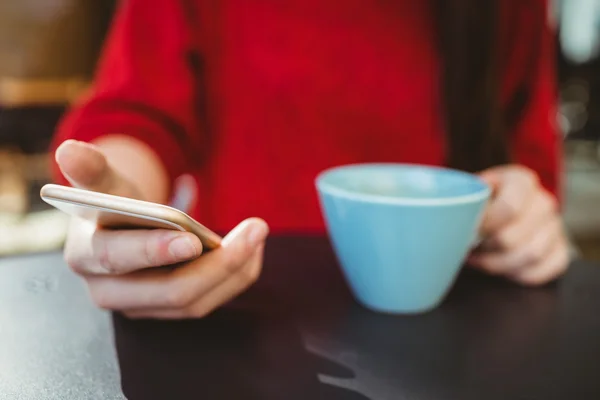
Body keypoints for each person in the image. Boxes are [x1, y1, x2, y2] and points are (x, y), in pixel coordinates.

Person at [51, 0, 569, 319]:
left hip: (459, 337)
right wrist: (115, 205)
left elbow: (529, 166)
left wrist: (528, 216)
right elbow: (138, 115)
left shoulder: (512, 9)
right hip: (238, 316)